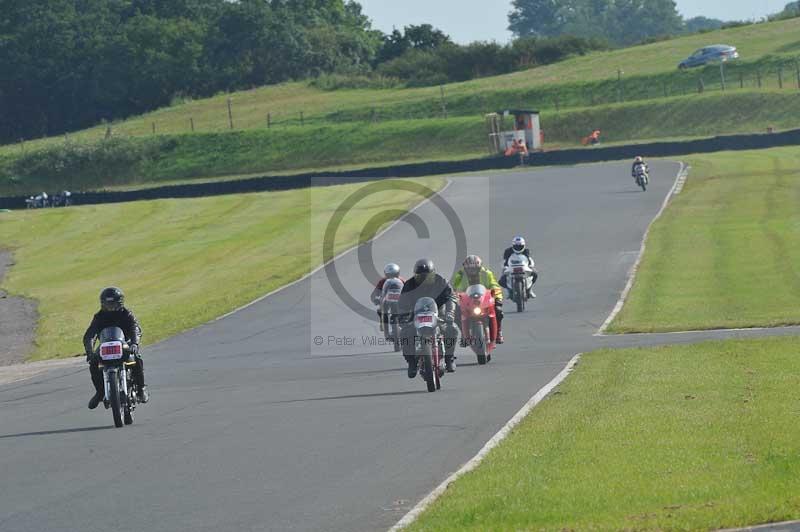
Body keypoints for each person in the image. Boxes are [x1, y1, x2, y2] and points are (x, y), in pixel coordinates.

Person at [83, 287, 149, 409]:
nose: (110, 307)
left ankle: (141, 388)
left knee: (137, 358)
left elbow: (135, 328)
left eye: (113, 304)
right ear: (102, 304)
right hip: (106, 346)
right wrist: (89, 351)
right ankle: (100, 392)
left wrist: (134, 343)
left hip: (125, 344)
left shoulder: (126, 314)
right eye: (108, 304)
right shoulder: (99, 317)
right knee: (93, 363)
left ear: (120, 303)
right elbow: (90, 335)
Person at [398, 259, 459, 377]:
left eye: (427, 276)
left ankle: (449, 358)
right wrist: (402, 317)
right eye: (420, 277)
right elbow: (401, 303)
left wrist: (450, 312)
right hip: (416, 316)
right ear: (415, 276)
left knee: (452, 329)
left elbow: (451, 297)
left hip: (438, 315)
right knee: (405, 332)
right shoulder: (409, 285)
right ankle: (411, 362)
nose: (424, 279)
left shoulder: (441, 282)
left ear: (433, 274)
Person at [451, 255, 504, 344]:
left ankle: (498, 332)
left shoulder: (487, 273)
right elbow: (456, 288)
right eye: (470, 269)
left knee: (498, 310)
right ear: (465, 268)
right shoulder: (460, 275)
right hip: (467, 300)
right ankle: (464, 334)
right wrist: (456, 298)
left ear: (479, 267)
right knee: (456, 314)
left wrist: (498, 298)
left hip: (484, 299)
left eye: (475, 269)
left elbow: (494, 285)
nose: (472, 271)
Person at [370, 263, 404, 337]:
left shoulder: (402, 280)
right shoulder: (382, 282)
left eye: (394, 275)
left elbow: (409, 289)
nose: (392, 278)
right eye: (389, 276)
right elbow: (374, 294)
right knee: (380, 310)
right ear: (386, 275)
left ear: (398, 274)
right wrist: (376, 299)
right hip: (387, 300)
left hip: (400, 301)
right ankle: (384, 326)